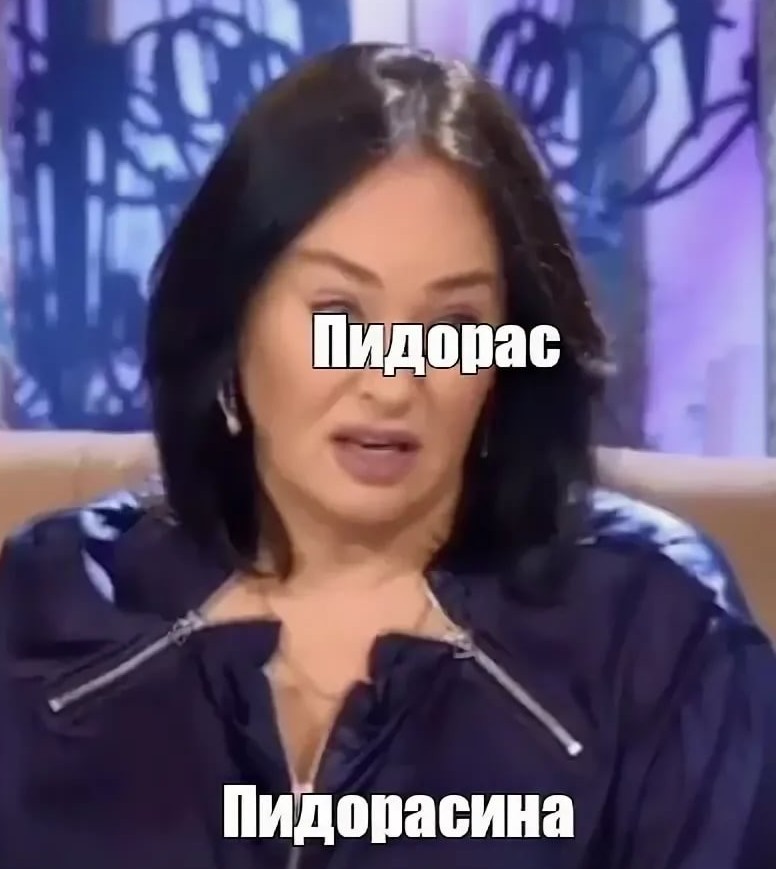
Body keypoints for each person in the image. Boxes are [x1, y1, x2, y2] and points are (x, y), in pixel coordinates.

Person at [0, 43, 774, 869]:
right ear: (231, 323)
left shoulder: (656, 632)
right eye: (340, 313)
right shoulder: (50, 607)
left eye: (454, 326)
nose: (394, 381)